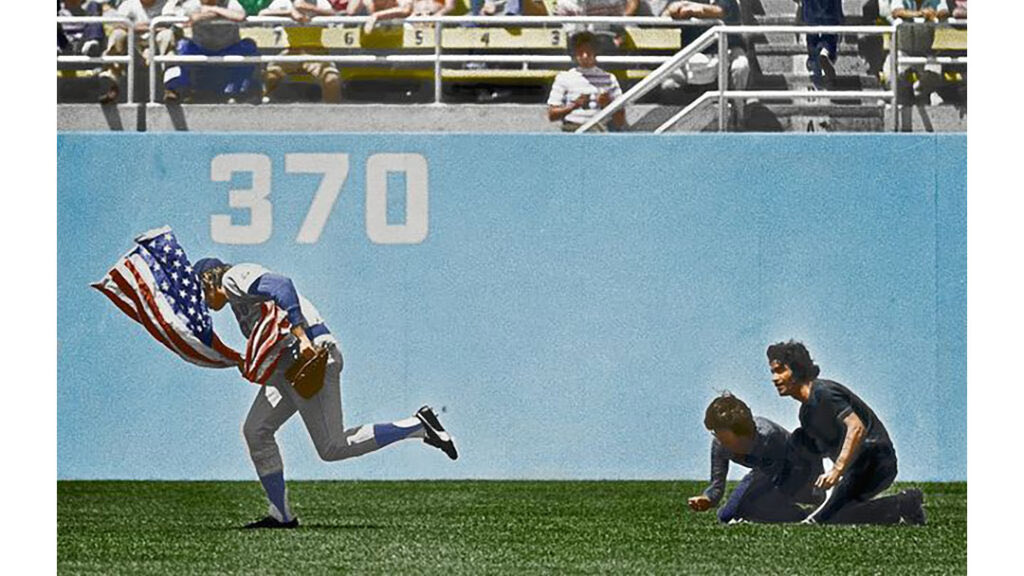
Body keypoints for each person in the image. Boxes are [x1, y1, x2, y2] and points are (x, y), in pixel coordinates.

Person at [193, 258, 458, 528]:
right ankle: (281, 514)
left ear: (208, 280)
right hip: (288, 365)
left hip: (308, 355)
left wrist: (302, 336)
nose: (203, 303)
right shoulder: (237, 297)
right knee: (256, 430)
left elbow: (282, 285)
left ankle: (418, 426)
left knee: (333, 447)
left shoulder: (232, 277)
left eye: (200, 292)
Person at [767, 340, 926, 525]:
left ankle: (820, 516)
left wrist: (837, 471)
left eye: (780, 371)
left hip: (876, 459)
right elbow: (823, 452)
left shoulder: (823, 393)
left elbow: (856, 427)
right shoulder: (806, 414)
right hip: (853, 470)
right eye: (773, 372)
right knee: (840, 516)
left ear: (797, 370)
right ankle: (903, 503)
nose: (774, 378)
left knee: (824, 517)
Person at [691, 393, 824, 524]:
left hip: (798, 469)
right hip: (764, 472)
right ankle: (798, 514)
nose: (724, 445)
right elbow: (717, 484)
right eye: (719, 437)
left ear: (746, 434)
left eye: (730, 442)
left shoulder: (768, 437)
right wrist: (707, 499)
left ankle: (813, 510)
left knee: (755, 506)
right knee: (726, 515)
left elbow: (788, 473)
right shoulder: (719, 443)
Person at [660, 0, 750, 123]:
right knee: (669, 84)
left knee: (741, 66)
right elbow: (667, 13)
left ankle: (739, 117)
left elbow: (721, 11)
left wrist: (694, 9)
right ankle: (687, 119)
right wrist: (676, 7)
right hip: (693, 54)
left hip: (727, 50)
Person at [163, 0, 261, 103]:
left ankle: (242, 92)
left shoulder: (230, 3)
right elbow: (187, 20)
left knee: (249, 45)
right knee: (182, 45)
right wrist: (220, 14)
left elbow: (240, 16)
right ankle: (179, 89)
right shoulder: (192, 4)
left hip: (229, 48)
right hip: (201, 49)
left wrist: (212, 9)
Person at [259, 0, 343, 103]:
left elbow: (335, 15)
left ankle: (332, 112)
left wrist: (309, 8)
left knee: (332, 79)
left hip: (316, 52)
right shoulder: (282, 2)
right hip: (291, 51)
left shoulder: (319, 2)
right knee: (270, 76)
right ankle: (263, 110)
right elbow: (262, 14)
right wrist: (289, 12)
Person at [97, 0, 180, 104]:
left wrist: (135, 26)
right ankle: (111, 85)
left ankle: (170, 86)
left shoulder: (166, 4)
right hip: (133, 44)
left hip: (156, 44)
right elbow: (118, 24)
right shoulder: (128, 4)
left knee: (167, 35)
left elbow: (171, 25)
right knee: (118, 34)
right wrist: (144, 27)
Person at [547, 31, 626, 132]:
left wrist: (607, 103)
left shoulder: (609, 78)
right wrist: (573, 106)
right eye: (580, 52)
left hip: (599, 129)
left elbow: (620, 120)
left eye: (588, 51)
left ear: (595, 52)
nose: (585, 56)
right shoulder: (564, 77)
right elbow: (552, 115)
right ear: (574, 53)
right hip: (572, 128)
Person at [796, 0, 843, 90]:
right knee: (830, 36)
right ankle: (825, 52)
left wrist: (799, 11)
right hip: (831, 9)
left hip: (810, 10)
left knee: (812, 38)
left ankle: (815, 60)